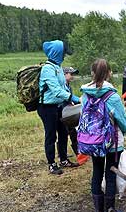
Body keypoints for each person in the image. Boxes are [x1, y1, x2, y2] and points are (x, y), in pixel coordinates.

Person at [80, 59, 126, 212]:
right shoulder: (112, 96)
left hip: (93, 141)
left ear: (92, 73)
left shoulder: (85, 95)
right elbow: (123, 123)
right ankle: (110, 208)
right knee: (111, 173)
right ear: (109, 73)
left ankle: (98, 208)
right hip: (113, 142)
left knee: (97, 172)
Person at [37, 40, 79, 175]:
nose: (64, 56)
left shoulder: (58, 67)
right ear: (57, 53)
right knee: (51, 135)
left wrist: (72, 97)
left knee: (63, 133)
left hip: (59, 106)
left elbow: (63, 87)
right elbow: (56, 90)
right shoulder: (47, 69)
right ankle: (51, 164)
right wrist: (72, 98)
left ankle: (64, 159)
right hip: (47, 107)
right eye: (63, 53)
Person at [62, 67, 80, 156]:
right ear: (64, 75)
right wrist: (79, 100)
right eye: (71, 74)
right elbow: (67, 96)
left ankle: (77, 151)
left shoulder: (68, 85)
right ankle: (64, 154)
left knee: (71, 131)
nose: (72, 76)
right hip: (62, 112)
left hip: (67, 112)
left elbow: (70, 97)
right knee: (65, 132)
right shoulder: (62, 85)